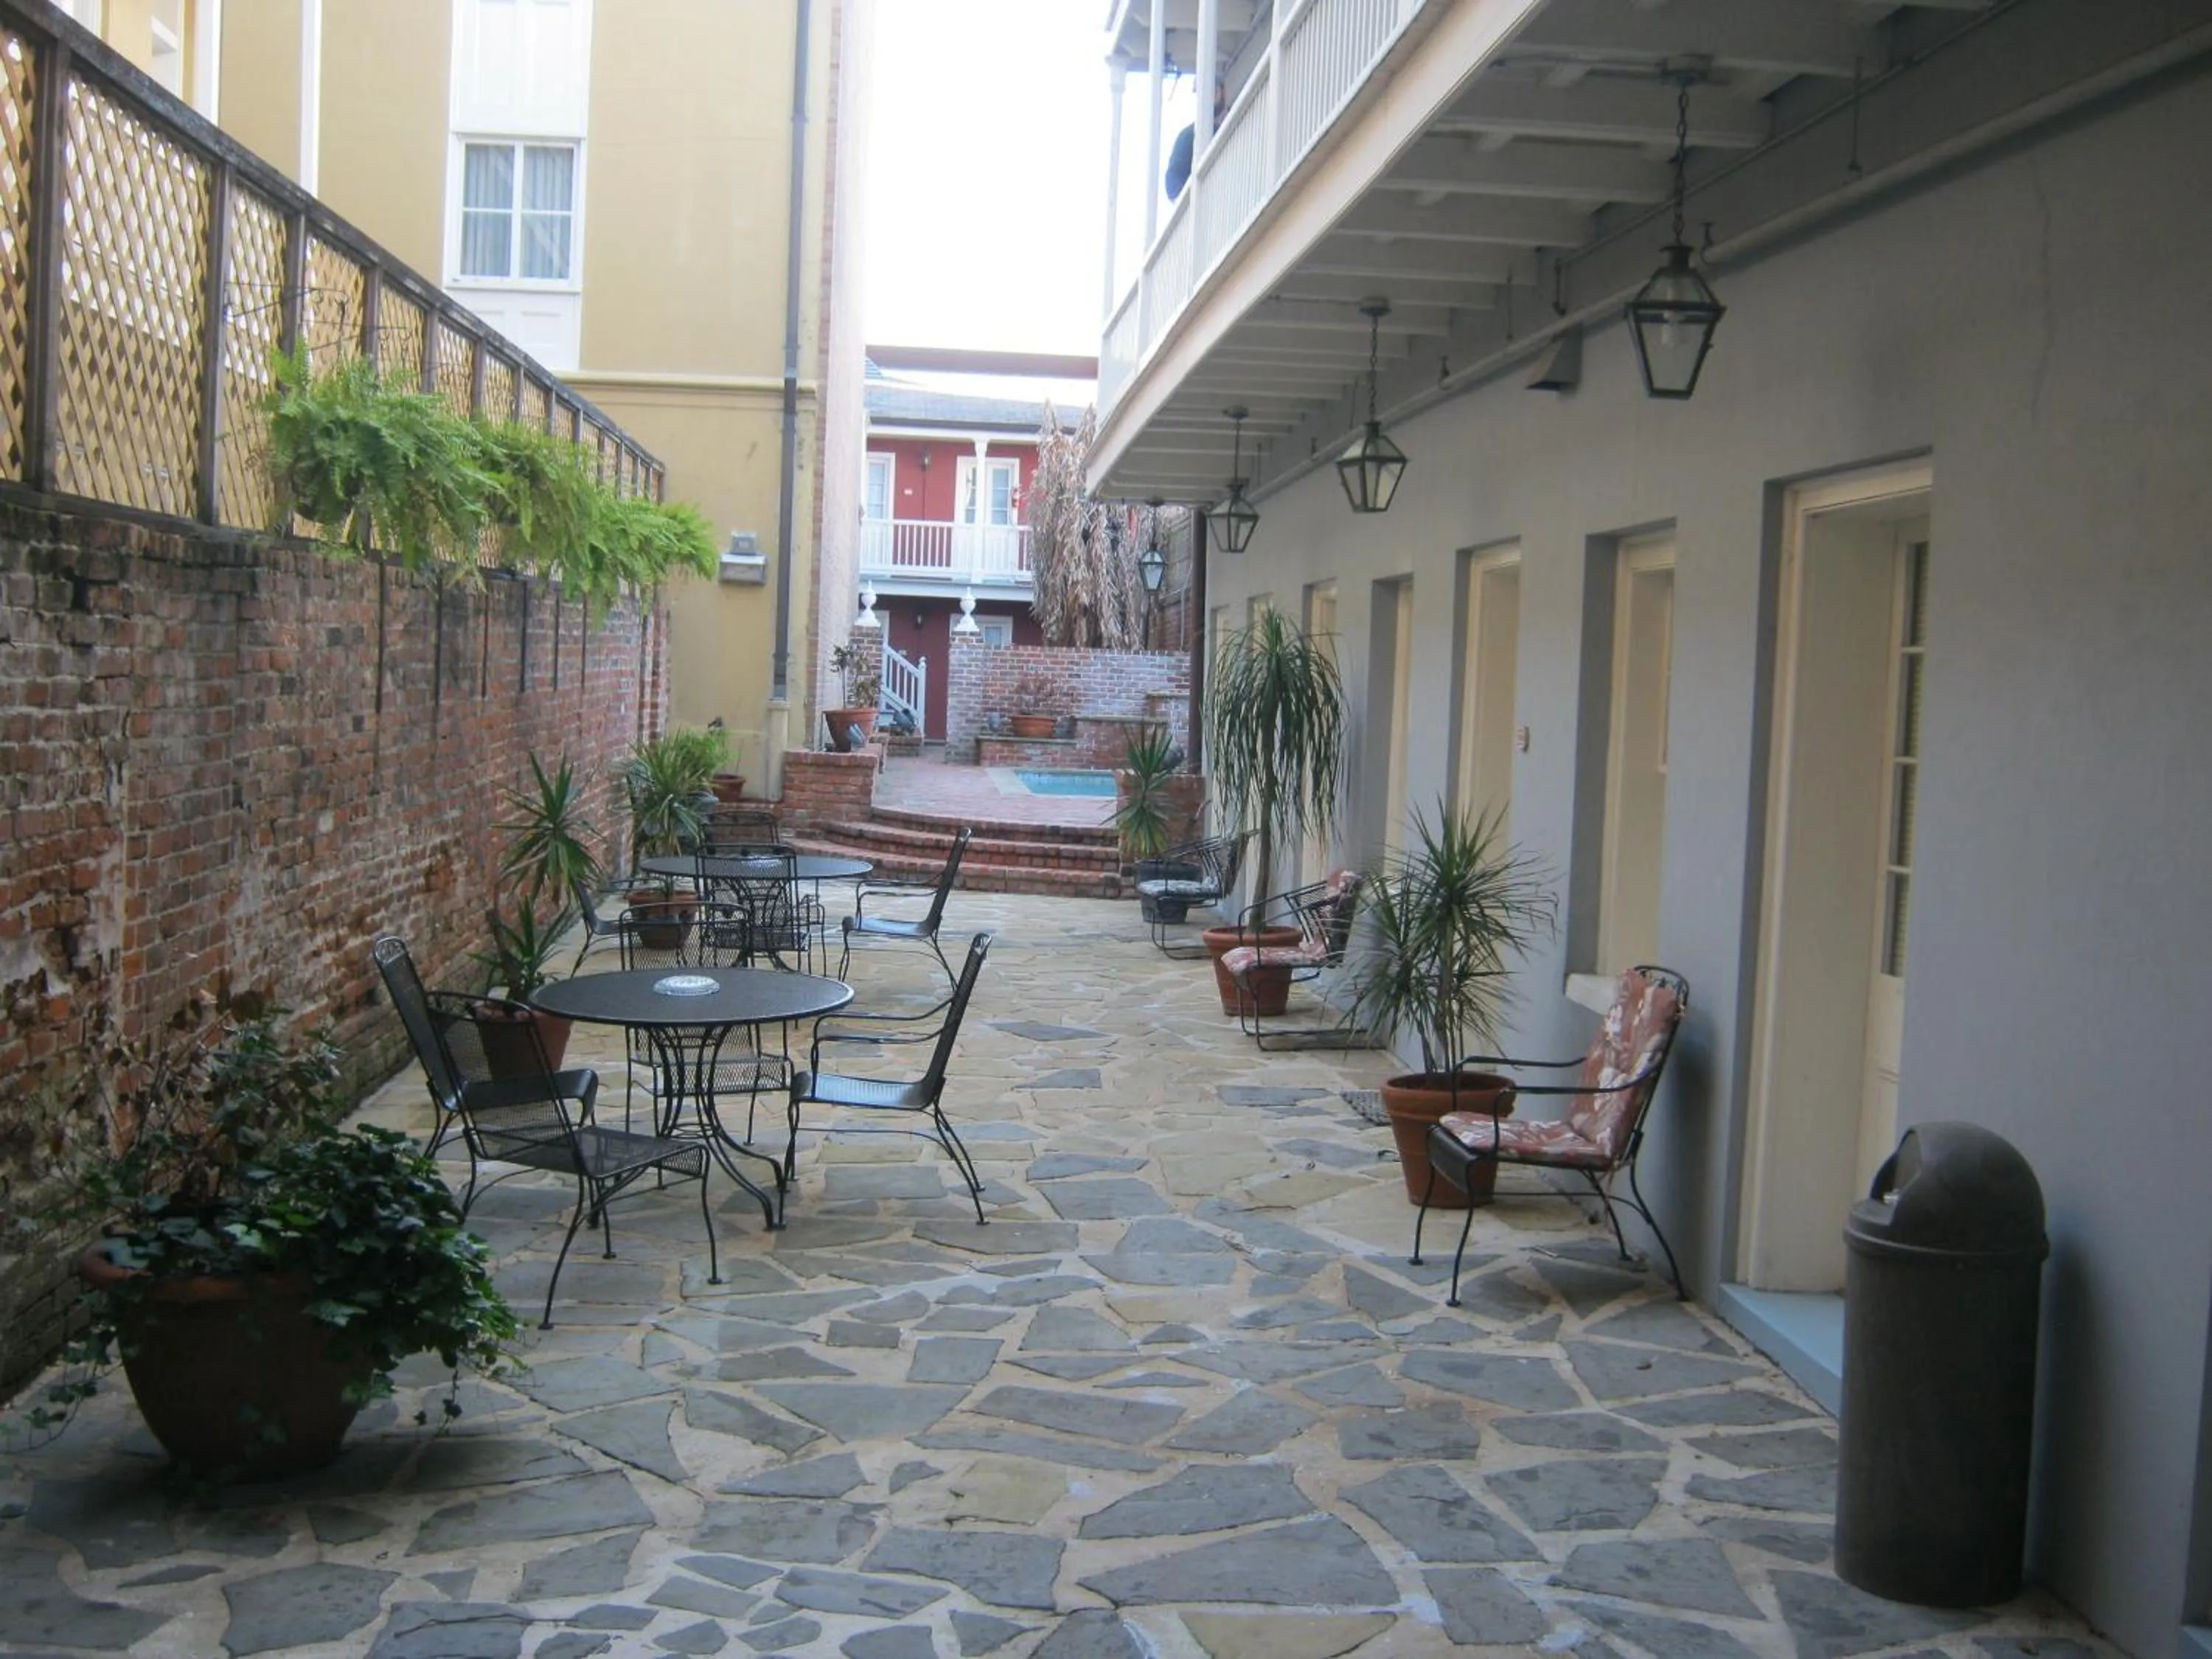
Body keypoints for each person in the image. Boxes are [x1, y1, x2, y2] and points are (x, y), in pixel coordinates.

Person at [1164, 77, 1228, 204]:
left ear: (1222, 92)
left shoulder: (1235, 126)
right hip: (1206, 206)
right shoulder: (1189, 136)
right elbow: (1173, 183)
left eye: (1216, 91)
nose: (1214, 96)